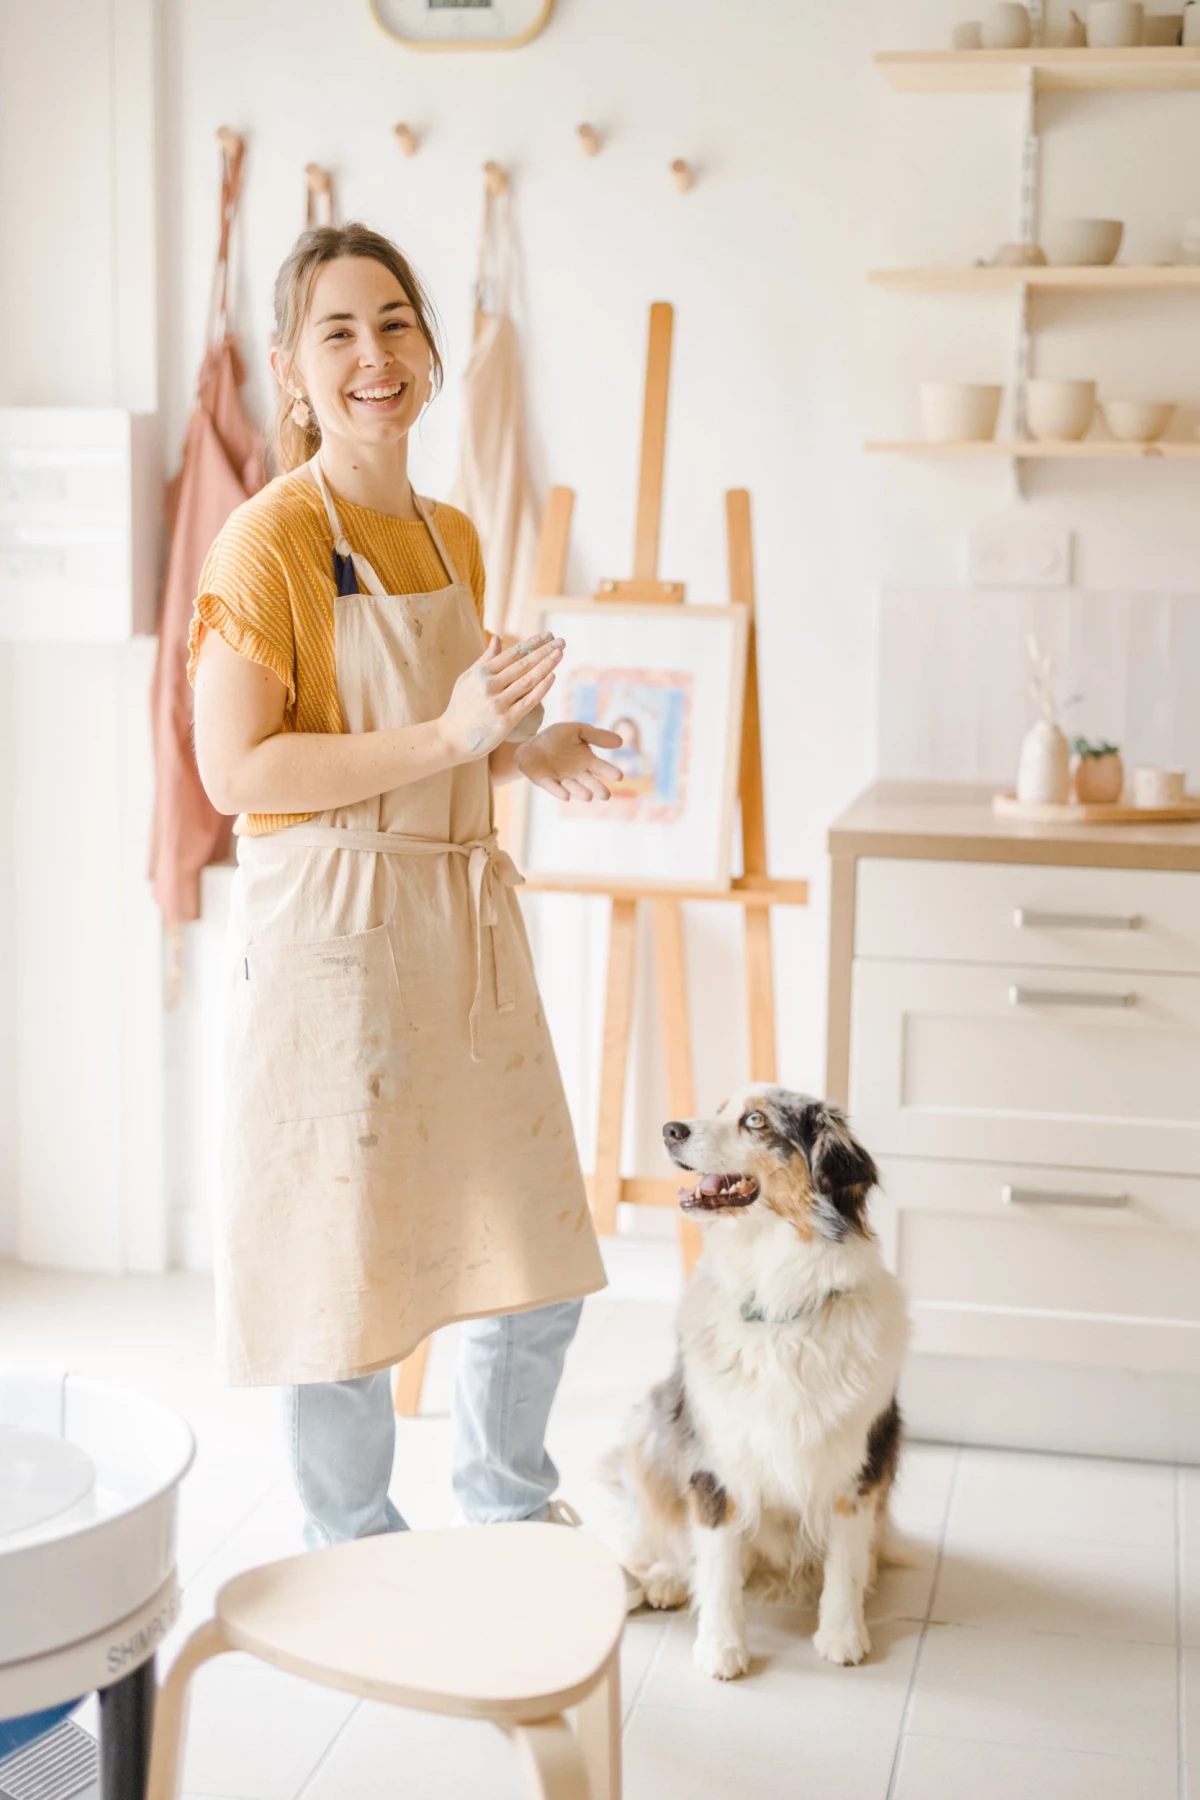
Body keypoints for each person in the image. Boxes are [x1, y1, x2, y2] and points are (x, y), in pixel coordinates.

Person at [188, 222, 626, 1553]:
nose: (374, 354)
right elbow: (235, 767)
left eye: (395, 323)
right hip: (334, 943)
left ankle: (500, 1509)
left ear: (431, 352)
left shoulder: (452, 535)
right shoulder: (264, 545)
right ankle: (355, 1550)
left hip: (458, 924)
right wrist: (449, 738)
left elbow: (447, 734)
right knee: (345, 1270)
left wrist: (519, 749)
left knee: (535, 1244)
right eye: (339, 331)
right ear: (291, 370)